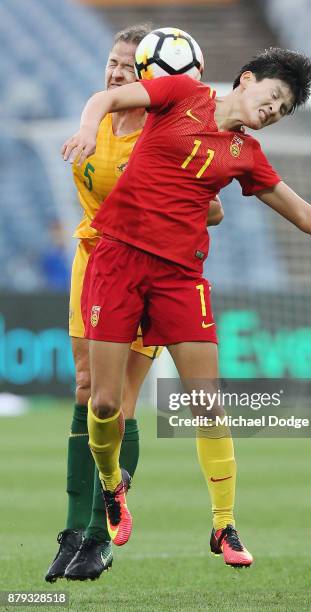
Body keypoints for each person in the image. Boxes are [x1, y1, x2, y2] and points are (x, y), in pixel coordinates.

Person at [62, 47, 311, 568]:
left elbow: (302, 213)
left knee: (208, 402)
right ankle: (112, 484)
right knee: (103, 405)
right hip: (117, 263)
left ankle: (224, 525)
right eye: (274, 97)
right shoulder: (180, 95)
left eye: (283, 110)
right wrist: (88, 128)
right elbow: (106, 96)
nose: (274, 111)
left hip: (179, 278)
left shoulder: (245, 153)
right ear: (247, 80)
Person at [46, 25, 223, 583]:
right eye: (112, 62)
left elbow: (212, 207)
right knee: (84, 388)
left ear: (149, 75)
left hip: (144, 265)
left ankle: (100, 534)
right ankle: (74, 530)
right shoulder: (98, 117)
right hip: (92, 260)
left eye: (128, 66)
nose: (116, 72)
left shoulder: (164, 128)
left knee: (119, 403)